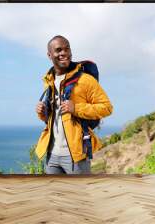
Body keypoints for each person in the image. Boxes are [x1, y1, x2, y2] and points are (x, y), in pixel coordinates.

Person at [35, 35, 113, 174]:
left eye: (67, 49)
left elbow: (107, 107)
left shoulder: (85, 80)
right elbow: (55, 118)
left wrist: (76, 108)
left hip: (76, 155)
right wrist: (42, 113)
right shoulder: (49, 81)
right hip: (51, 154)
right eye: (58, 50)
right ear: (49, 55)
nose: (64, 53)